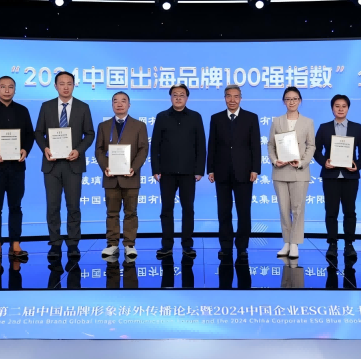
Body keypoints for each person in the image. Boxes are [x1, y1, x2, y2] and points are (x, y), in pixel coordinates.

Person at [35, 71, 95, 259]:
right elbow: (38, 133)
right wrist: (45, 148)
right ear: (55, 86)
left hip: (73, 164)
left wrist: (79, 150)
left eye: (69, 83)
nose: (66, 87)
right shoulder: (46, 106)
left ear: (74, 85)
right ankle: (54, 243)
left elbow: (90, 134)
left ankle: (73, 243)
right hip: (51, 165)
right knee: (52, 206)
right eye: (62, 83)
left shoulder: (83, 107)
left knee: (73, 206)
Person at [0, 76, 35, 262]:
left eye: (10, 87)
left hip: (17, 167)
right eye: (3, 87)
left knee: (15, 206)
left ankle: (15, 243)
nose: (7, 90)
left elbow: (30, 134)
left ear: (15, 90)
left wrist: (25, 149)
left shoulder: (22, 110)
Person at [151, 84, 206, 258]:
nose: (178, 97)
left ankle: (187, 245)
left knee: (188, 209)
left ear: (187, 98)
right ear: (170, 97)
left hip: (188, 172)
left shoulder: (195, 117)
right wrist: (155, 168)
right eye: (175, 94)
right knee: (166, 209)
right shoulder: (162, 117)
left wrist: (199, 170)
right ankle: (166, 245)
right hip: (166, 172)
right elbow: (155, 145)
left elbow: (201, 145)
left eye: (182, 95)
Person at [207, 84, 261, 258]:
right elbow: (212, 145)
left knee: (244, 211)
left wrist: (255, 169)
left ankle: (242, 246)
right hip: (221, 172)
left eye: (236, 96)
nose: (232, 100)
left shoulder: (251, 118)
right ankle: (225, 245)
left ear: (241, 98)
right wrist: (210, 169)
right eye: (229, 96)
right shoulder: (216, 118)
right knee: (224, 211)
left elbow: (255, 146)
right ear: (224, 98)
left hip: (244, 172)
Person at [313, 94, 361, 259]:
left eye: (344, 106)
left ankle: (349, 244)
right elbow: (315, 150)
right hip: (330, 175)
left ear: (348, 108)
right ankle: (332, 244)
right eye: (337, 106)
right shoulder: (324, 127)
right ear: (332, 108)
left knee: (349, 211)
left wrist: (357, 165)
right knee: (331, 211)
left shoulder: (356, 127)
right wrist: (324, 162)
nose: (340, 109)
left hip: (350, 176)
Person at [95, 91, 149, 259]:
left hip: (130, 176)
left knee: (131, 212)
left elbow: (143, 149)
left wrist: (134, 167)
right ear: (112, 105)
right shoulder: (103, 126)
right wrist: (105, 167)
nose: (119, 104)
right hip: (110, 177)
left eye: (123, 101)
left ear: (129, 105)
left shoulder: (139, 125)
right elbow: (99, 150)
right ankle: (112, 244)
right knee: (111, 212)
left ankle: (129, 245)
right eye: (115, 101)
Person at [267, 86, 316, 259]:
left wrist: (301, 162)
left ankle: (295, 243)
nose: (291, 102)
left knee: (297, 209)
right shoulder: (277, 121)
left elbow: (311, 145)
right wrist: (275, 161)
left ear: (300, 101)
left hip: (299, 172)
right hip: (280, 171)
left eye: (295, 99)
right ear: (284, 102)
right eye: (288, 99)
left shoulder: (308, 122)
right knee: (283, 209)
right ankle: (286, 241)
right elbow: (271, 145)